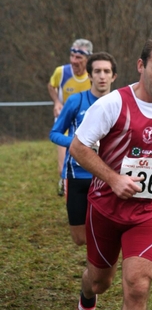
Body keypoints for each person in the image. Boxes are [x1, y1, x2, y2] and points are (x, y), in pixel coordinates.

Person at [69, 37, 152, 310]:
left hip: (147, 211)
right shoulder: (111, 104)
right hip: (105, 208)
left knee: (138, 285)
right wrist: (114, 179)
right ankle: (87, 297)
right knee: (100, 281)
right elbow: (78, 147)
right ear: (141, 65)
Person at [49, 52, 117, 246]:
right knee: (80, 239)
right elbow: (54, 133)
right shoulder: (76, 101)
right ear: (89, 75)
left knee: (106, 233)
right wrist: (78, 144)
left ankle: (98, 270)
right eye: (97, 71)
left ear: (114, 76)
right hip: (77, 175)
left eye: (106, 71)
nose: (102, 76)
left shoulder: (121, 102)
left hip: (108, 176)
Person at [47, 39, 93, 196]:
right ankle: (65, 183)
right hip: (65, 123)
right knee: (63, 166)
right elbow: (51, 85)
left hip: (85, 124)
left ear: (88, 58)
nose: (74, 60)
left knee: (86, 161)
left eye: (78, 57)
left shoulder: (94, 76)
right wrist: (57, 102)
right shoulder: (61, 72)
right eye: (72, 56)